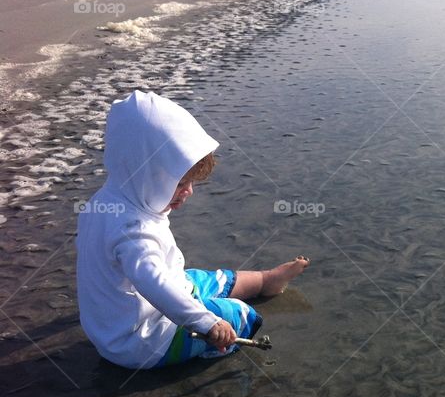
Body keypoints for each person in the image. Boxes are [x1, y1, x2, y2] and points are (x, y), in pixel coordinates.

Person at [76, 90, 308, 369]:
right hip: (140, 343)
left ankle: (264, 280)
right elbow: (153, 283)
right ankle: (212, 347)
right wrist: (208, 324)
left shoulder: (108, 201)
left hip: (118, 325)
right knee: (240, 316)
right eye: (180, 183)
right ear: (146, 173)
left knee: (207, 279)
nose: (188, 192)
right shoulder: (133, 231)